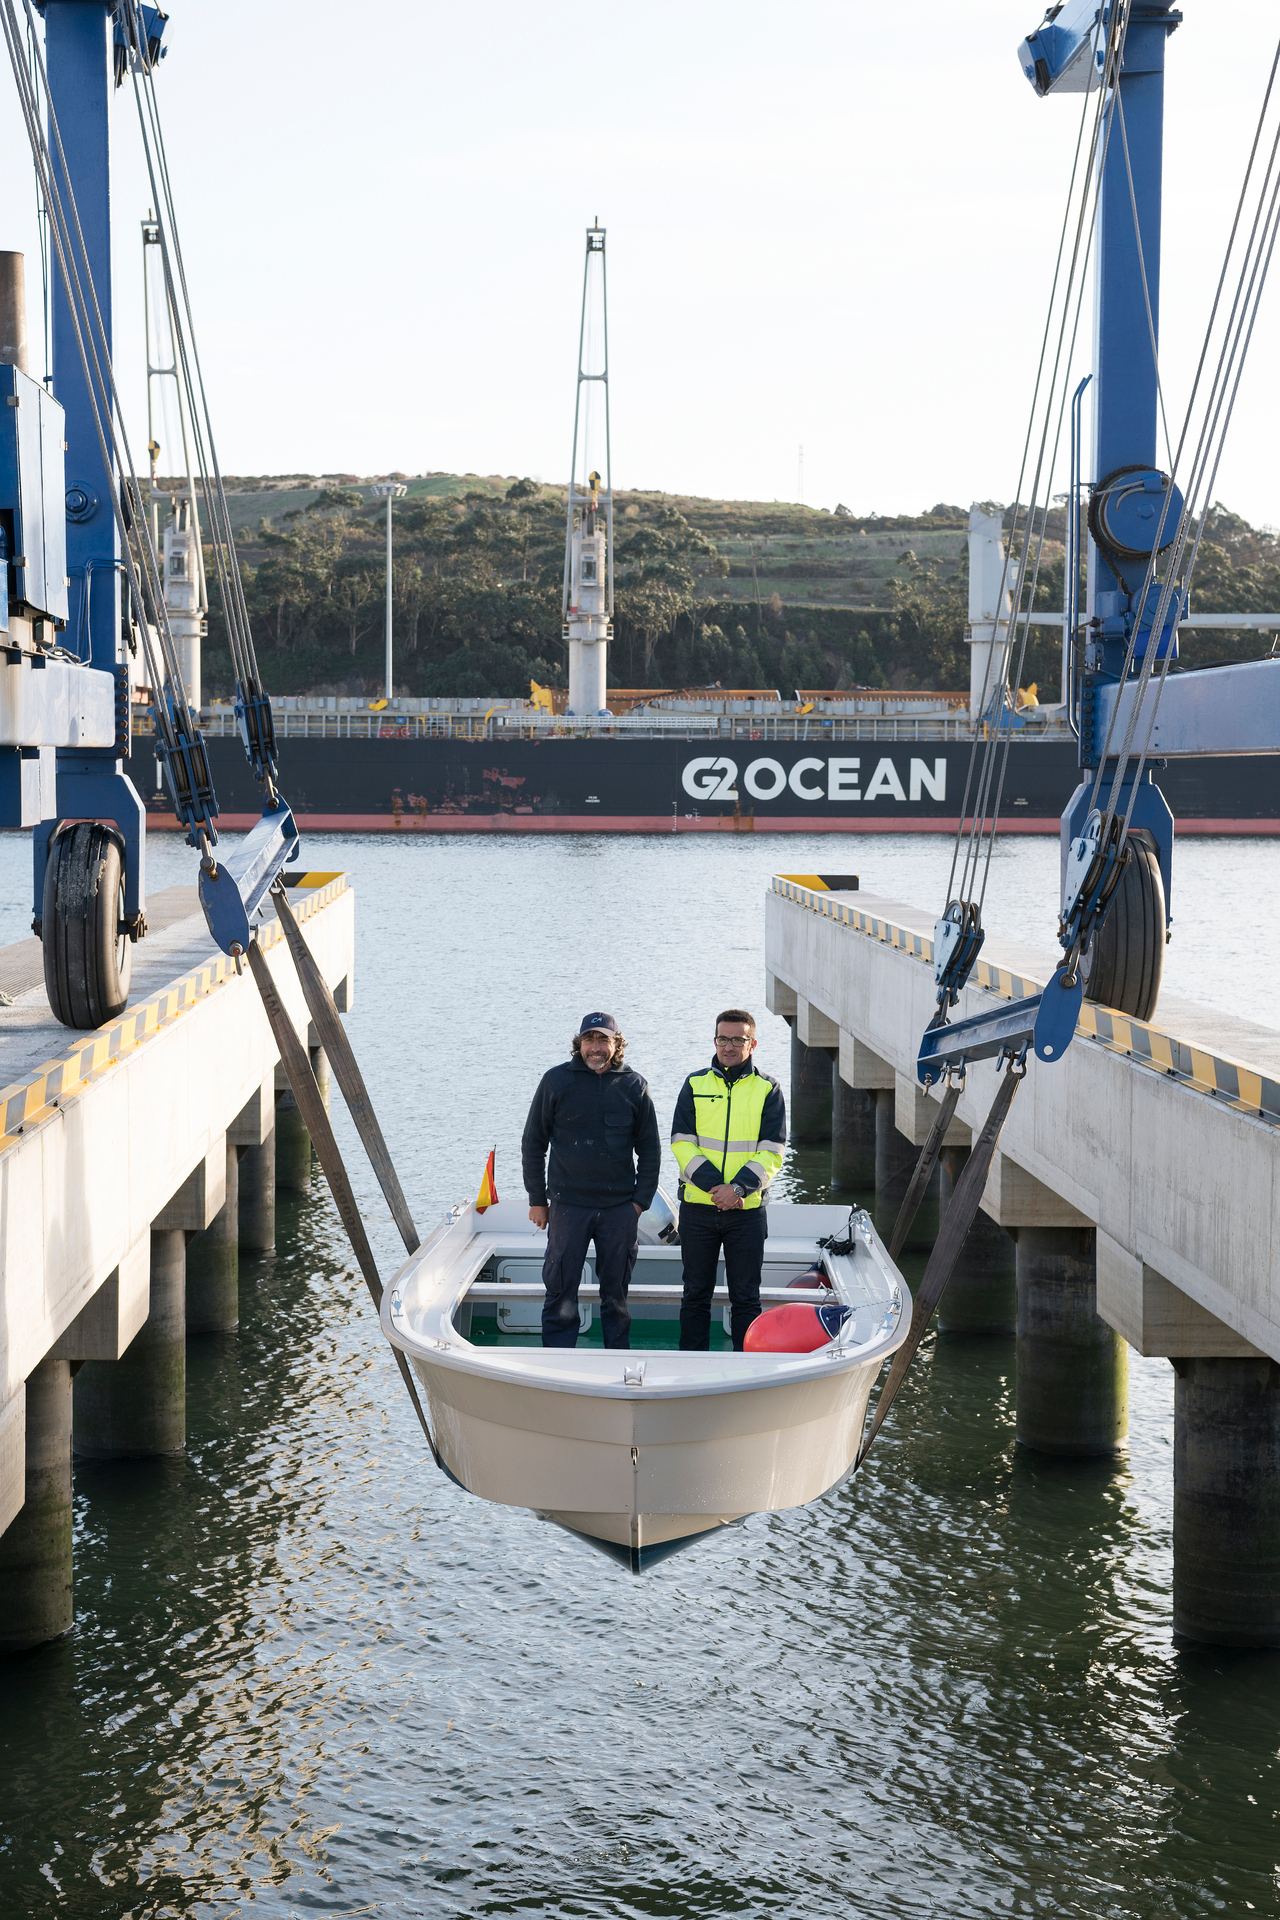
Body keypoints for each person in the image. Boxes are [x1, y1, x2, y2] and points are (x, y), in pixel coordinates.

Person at [521, 1012, 660, 1349]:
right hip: (568, 1207)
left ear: (617, 1044)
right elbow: (533, 1143)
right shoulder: (556, 1081)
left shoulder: (634, 1086)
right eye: (589, 1040)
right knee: (560, 1292)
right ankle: (557, 1363)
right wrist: (537, 1200)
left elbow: (650, 1150)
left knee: (616, 1296)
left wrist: (638, 1204)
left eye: (603, 1040)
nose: (595, 1047)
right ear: (579, 1043)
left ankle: (616, 1359)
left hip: (619, 1210)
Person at [670, 1009, 786, 1350]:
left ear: (752, 1044)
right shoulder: (695, 1084)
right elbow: (681, 1142)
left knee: (746, 1298)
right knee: (695, 1295)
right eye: (723, 1039)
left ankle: (745, 1367)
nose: (729, 1046)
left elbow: (773, 1150)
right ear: (715, 1041)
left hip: (746, 1212)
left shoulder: (768, 1089)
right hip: (698, 1210)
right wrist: (716, 1189)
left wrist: (736, 1189)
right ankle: (691, 1367)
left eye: (738, 1039)